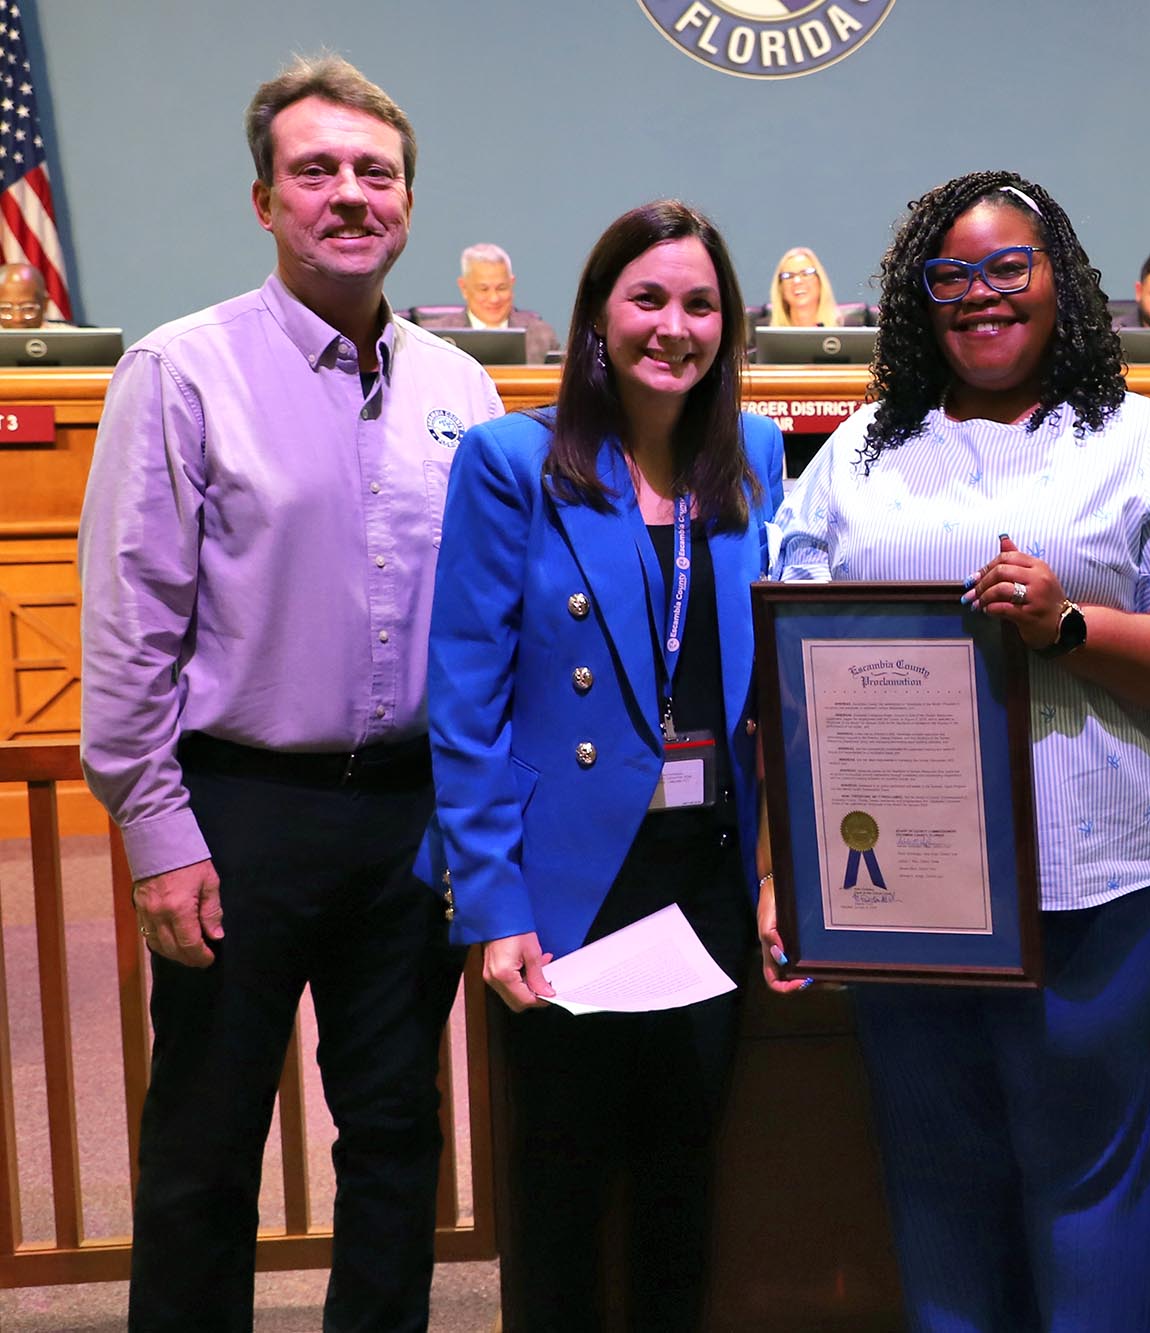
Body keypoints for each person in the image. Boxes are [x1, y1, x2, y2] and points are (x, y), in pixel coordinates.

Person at [770, 169, 1150, 1329]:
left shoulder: (1144, 444)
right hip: (907, 898)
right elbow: (789, 676)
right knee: (938, 1176)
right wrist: (782, 865)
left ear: (1063, 285)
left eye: (1011, 267)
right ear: (915, 295)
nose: (982, 295)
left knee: (1092, 1181)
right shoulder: (855, 457)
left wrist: (1069, 627)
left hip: (1101, 882)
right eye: (952, 274)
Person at [75, 55, 501, 1332]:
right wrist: (157, 838)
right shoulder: (178, 370)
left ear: (409, 203)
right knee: (206, 1147)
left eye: (376, 173)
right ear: (265, 200)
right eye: (316, 171)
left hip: (407, 822)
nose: (350, 195)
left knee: (393, 1136)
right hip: (237, 814)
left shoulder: (462, 392)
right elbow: (130, 630)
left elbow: (486, 629)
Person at [420, 198, 782, 1330]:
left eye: (700, 303)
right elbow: (465, 697)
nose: (673, 325)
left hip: (708, 871)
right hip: (570, 878)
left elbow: (772, 688)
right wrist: (491, 900)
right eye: (647, 298)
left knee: (686, 1173)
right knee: (562, 1186)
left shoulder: (754, 455)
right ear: (595, 317)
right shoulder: (510, 462)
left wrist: (781, 870)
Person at [416, 241, 559, 363]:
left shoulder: (542, 335)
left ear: (512, 283)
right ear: (464, 288)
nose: (494, 298)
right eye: (483, 289)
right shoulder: (434, 338)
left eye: (501, 288)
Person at [0, 261, 72, 328]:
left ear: (45, 305)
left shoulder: (73, 339)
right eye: (5, 309)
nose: (17, 319)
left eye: (28, 309)